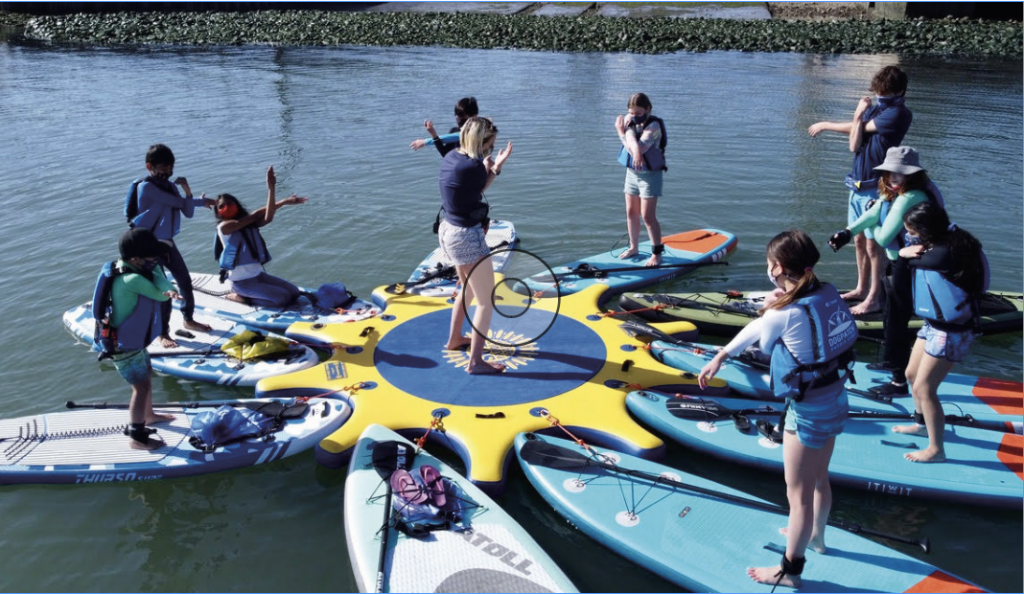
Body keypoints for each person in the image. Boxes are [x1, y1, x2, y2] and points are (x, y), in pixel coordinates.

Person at [697, 230, 858, 590]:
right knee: (820, 479)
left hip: (808, 411)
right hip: (836, 398)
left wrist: (771, 308)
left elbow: (765, 337)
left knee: (796, 497)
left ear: (778, 267)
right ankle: (816, 536)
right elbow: (766, 324)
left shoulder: (784, 311)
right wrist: (723, 353)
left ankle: (790, 570)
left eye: (770, 265)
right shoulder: (827, 291)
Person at [829, 146, 940, 397]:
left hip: (907, 266)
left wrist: (875, 226)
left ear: (912, 175)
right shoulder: (893, 193)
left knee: (898, 321)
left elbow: (884, 235)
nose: (893, 177)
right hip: (894, 263)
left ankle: (899, 382)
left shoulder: (909, 197)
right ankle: (891, 362)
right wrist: (847, 233)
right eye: (890, 172)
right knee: (889, 314)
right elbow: (874, 212)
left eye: (900, 173)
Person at [809, 65, 912, 315]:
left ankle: (875, 298)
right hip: (856, 185)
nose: (880, 95)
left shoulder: (898, 113)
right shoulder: (876, 108)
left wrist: (835, 122)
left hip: (877, 188)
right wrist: (838, 122)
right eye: (878, 91)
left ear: (898, 92)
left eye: (885, 92)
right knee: (858, 240)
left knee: (873, 245)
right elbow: (855, 138)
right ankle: (861, 288)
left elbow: (861, 129)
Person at [893, 202, 988, 463]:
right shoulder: (939, 243)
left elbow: (911, 262)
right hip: (934, 325)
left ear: (925, 229)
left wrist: (903, 253)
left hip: (953, 331)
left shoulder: (946, 252)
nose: (908, 234)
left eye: (910, 229)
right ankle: (921, 424)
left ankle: (937, 449)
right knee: (911, 374)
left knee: (925, 387)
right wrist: (906, 253)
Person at [438, 117, 512, 374]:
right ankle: (476, 362)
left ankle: (455, 339)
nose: (492, 150)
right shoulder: (473, 167)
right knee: (485, 301)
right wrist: (495, 167)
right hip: (466, 236)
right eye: (491, 146)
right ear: (481, 143)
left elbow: (474, 191)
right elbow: (482, 186)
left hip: (448, 230)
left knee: (467, 291)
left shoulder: (451, 157)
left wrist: (492, 166)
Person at [127, 143, 216, 347]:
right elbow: (177, 204)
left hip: (167, 244)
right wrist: (194, 199)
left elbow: (187, 212)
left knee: (184, 281)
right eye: (163, 168)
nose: (167, 172)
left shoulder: (171, 186)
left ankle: (188, 319)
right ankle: (163, 333)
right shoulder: (146, 187)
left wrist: (189, 193)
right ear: (150, 166)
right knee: (164, 289)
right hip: (148, 248)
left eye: (170, 167)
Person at [103, 228, 182, 450]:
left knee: (146, 375)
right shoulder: (131, 280)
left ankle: (149, 416)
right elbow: (158, 293)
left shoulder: (130, 268)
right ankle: (137, 438)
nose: (155, 259)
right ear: (136, 259)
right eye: (151, 256)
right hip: (123, 346)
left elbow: (158, 276)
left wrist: (167, 286)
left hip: (133, 342)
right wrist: (169, 290)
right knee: (141, 387)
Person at [213, 165, 308, 308]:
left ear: (236, 205)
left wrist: (272, 188)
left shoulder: (249, 224)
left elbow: (267, 216)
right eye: (221, 206)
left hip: (259, 276)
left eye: (229, 204)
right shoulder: (224, 227)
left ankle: (253, 295)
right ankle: (240, 298)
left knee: (294, 292)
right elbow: (256, 215)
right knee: (282, 299)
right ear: (218, 212)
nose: (226, 207)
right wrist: (282, 202)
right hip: (242, 283)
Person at [614, 92, 668, 267]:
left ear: (648, 109)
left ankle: (657, 253)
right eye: (632, 113)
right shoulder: (630, 119)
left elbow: (641, 149)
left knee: (647, 216)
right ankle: (634, 247)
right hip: (632, 173)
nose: (634, 116)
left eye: (638, 113)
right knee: (631, 212)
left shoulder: (654, 126)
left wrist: (621, 135)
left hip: (650, 176)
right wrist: (625, 134)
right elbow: (629, 137)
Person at [410, 97, 479, 157]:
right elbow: (445, 154)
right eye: (457, 115)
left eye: (462, 116)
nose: (458, 118)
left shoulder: (480, 131)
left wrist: (426, 141)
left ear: (474, 116)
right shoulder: (454, 131)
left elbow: (462, 136)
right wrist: (433, 135)